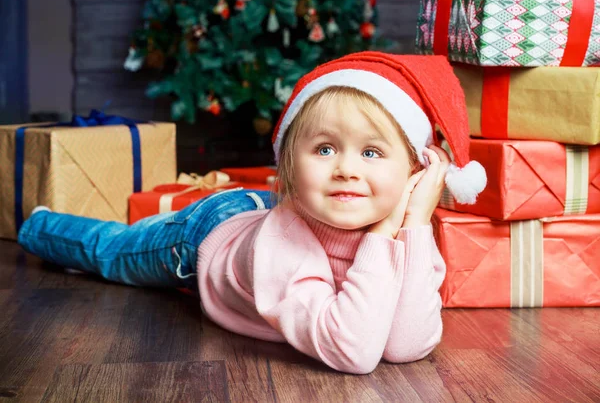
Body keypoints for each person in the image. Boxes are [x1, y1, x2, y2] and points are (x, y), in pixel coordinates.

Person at [18, 52, 486, 374]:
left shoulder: (408, 231)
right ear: (287, 162)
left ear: (415, 172)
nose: (345, 169)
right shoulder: (285, 243)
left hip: (279, 205)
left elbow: (407, 346)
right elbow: (354, 352)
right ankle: (37, 224)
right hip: (211, 232)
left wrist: (413, 223)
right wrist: (389, 225)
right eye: (325, 148)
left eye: (371, 153)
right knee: (117, 252)